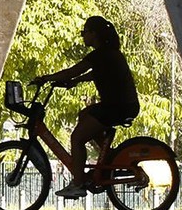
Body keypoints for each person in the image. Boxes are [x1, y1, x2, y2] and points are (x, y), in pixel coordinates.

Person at [31, 14, 138, 199]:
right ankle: (108, 156)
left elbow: (73, 71)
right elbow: (94, 75)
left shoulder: (101, 54)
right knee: (85, 114)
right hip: (120, 105)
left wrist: (47, 78)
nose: (83, 36)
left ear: (94, 34)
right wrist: (75, 82)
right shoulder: (108, 54)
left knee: (77, 138)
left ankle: (78, 183)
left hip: (117, 107)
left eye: (85, 32)